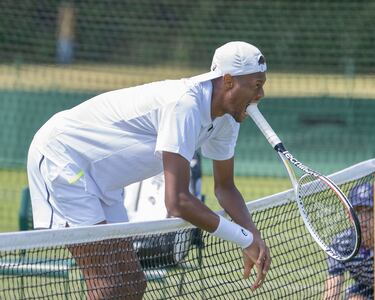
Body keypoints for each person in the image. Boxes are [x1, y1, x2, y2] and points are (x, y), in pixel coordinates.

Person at [27, 41, 270, 299]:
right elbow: (177, 202)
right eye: (256, 85)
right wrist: (243, 238)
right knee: (107, 285)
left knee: (132, 283)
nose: (261, 94)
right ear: (229, 81)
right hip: (63, 157)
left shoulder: (228, 119)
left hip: (102, 182)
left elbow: (225, 187)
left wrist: (254, 236)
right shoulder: (184, 105)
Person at [323, 182, 374, 300]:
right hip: (365, 288)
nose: (362, 218)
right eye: (358, 211)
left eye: (369, 210)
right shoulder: (341, 245)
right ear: (349, 214)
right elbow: (332, 289)